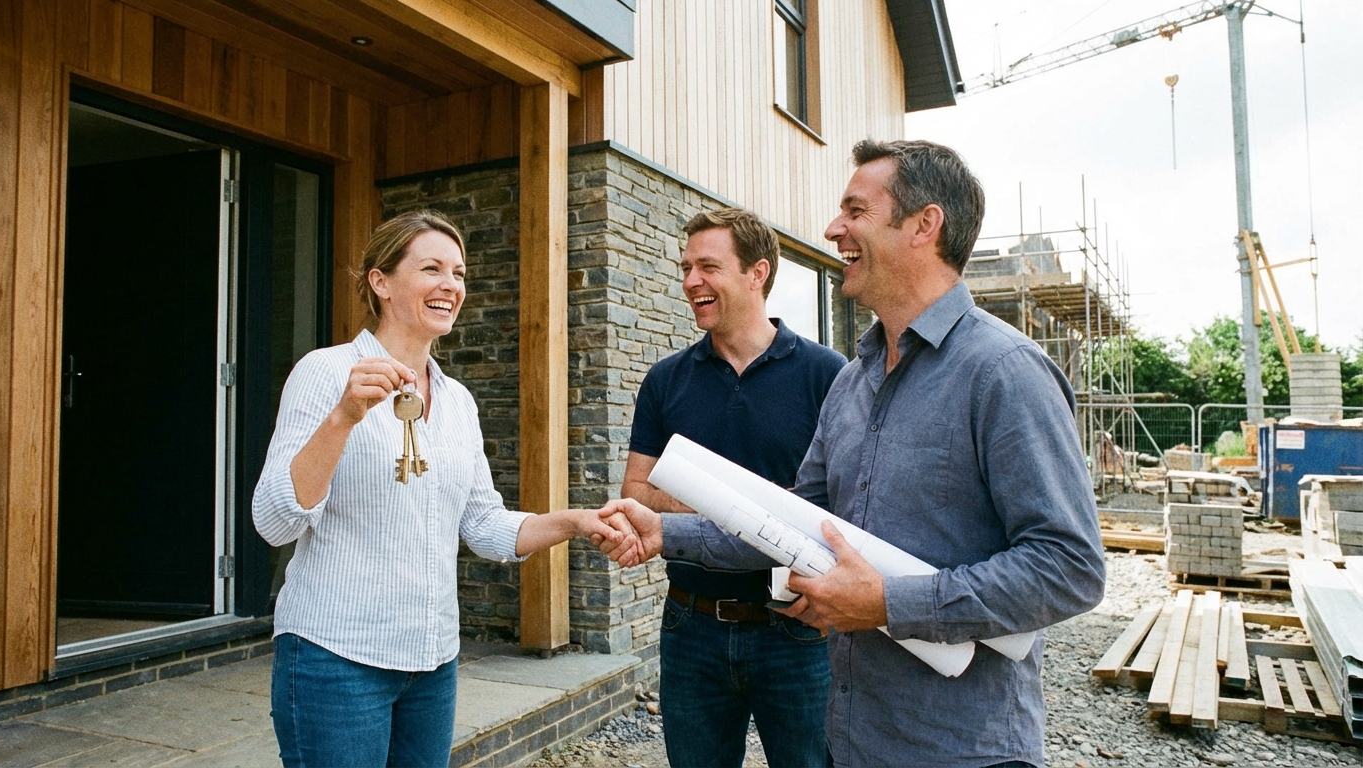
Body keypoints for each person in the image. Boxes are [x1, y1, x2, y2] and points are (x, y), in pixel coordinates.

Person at [603, 140, 1106, 767]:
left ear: (925, 224)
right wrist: (664, 532)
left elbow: (1069, 567)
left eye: (855, 211)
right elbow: (789, 524)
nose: (833, 228)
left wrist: (889, 605)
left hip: (962, 750)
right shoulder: (853, 382)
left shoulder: (1003, 373)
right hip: (853, 739)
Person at [253, 210, 636, 768]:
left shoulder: (457, 400)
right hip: (335, 657)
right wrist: (343, 417)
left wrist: (575, 522)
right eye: (432, 268)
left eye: (459, 274)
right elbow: (274, 521)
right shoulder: (326, 372)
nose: (451, 286)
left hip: (432, 663)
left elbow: (483, 524)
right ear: (379, 282)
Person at [620, 208, 845, 768]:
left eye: (708, 267)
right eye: (686, 267)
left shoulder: (827, 374)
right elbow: (636, 489)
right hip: (691, 625)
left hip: (796, 631)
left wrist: (721, 511)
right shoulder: (666, 380)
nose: (691, 280)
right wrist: (741, 509)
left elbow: (845, 505)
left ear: (757, 273)